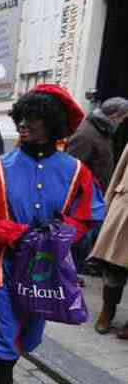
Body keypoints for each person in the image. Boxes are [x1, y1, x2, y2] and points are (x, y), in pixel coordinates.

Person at [0, 84, 105, 384]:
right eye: (22, 115)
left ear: (53, 123)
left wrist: (61, 235)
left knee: (31, 331)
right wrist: (15, 233)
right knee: (2, 332)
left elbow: (89, 214)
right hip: (2, 267)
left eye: (35, 117)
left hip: (45, 271)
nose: (24, 123)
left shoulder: (76, 171)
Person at [67, 97, 128, 279]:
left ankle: (77, 270)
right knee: (79, 238)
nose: (123, 122)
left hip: (94, 195)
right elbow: (72, 168)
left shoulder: (102, 132)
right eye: (123, 118)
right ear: (115, 115)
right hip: (83, 197)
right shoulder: (86, 133)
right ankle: (70, 273)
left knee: (88, 236)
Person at [89, 136, 128, 338]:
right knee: (114, 266)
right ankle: (107, 312)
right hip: (125, 209)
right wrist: (107, 204)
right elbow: (119, 171)